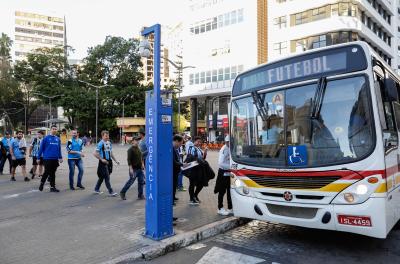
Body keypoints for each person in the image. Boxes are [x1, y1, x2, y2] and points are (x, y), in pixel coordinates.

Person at [93, 130, 119, 196]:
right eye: (106, 136)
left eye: (108, 136)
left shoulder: (109, 143)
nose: (107, 137)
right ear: (102, 136)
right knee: (107, 177)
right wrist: (102, 159)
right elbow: (95, 153)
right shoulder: (100, 143)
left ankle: (96, 189)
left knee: (102, 177)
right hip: (103, 162)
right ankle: (111, 192)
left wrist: (115, 160)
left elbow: (111, 153)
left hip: (109, 162)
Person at [38, 125, 63, 192]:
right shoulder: (46, 138)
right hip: (47, 158)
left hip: (55, 159)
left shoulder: (58, 139)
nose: (54, 130)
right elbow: (41, 149)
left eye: (55, 129)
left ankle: (52, 187)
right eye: (53, 129)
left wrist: (60, 157)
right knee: (47, 171)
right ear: (50, 130)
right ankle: (42, 183)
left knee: (53, 173)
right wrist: (38, 158)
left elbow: (59, 149)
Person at [186, 136, 210, 205]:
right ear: (194, 141)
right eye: (198, 141)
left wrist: (205, 152)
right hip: (193, 169)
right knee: (192, 184)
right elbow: (190, 158)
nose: (199, 143)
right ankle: (191, 199)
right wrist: (199, 161)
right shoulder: (191, 148)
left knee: (201, 183)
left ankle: (195, 195)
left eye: (200, 142)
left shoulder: (199, 149)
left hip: (199, 168)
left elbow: (203, 158)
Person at [214, 135, 233, 216]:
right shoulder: (224, 149)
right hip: (223, 172)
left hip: (229, 172)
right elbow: (220, 163)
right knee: (222, 191)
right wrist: (231, 167)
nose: (230, 143)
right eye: (229, 142)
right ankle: (220, 208)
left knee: (230, 190)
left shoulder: (230, 148)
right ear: (226, 142)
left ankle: (230, 207)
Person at [172, 135, 184, 205]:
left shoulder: (175, 149)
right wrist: (182, 164)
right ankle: (171, 200)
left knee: (174, 185)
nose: (180, 145)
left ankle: (173, 197)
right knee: (172, 186)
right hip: (173, 171)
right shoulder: (171, 148)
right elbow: (173, 161)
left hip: (176, 171)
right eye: (180, 143)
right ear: (176, 141)